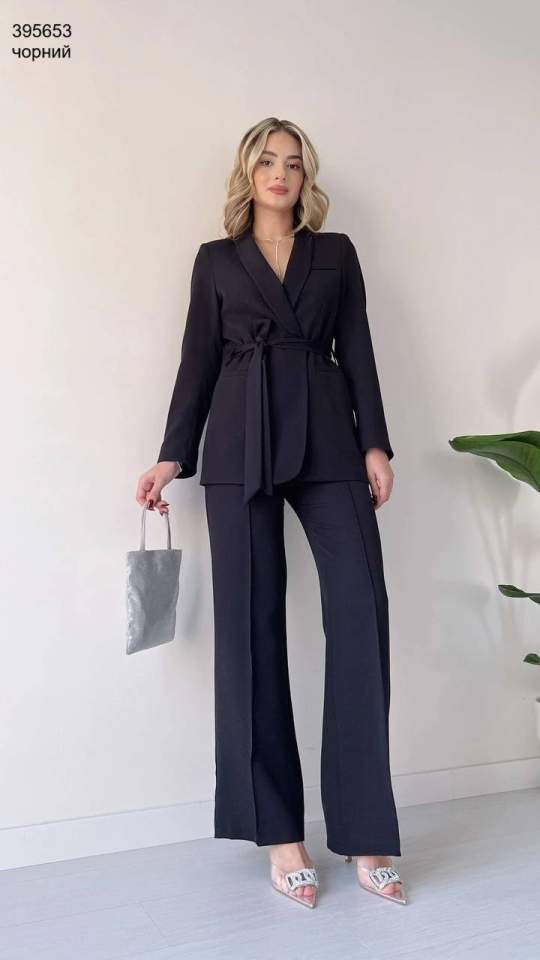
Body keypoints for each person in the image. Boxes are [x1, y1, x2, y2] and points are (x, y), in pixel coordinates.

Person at [136, 117, 406, 908]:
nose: (280, 173)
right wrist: (172, 455)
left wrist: (375, 443)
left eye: (292, 162)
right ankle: (280, 834)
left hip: (327, 438)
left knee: (361, 615)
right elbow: (197, 362)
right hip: (239, 442)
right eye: (266, 161)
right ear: (248, 173)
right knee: (250, 631)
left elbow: (357, 348)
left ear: (305, 176)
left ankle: (367, 831)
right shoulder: (216, 261)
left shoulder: (337, 253)